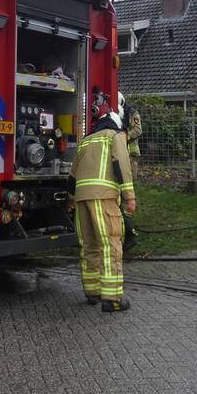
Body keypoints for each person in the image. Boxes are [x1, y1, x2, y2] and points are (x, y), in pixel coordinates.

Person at [69, 99, 136, 312]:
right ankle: (113, 298)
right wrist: (129, 196)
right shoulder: (114, 137)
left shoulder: (86, 141)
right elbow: (122, 165)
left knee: (89, 246)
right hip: (104, 198)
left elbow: (72, 175)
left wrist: (71, 199)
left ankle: (92, 292)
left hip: (81, 199)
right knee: (110, 246)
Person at [119, 91, 142, 251]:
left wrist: (123, 137)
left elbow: (138, 130)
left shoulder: (132, 112)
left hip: (130, 154)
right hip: (120, 153)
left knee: (128, 189)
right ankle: (125, 225)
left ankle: (129, 226)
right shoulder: (116, 113)